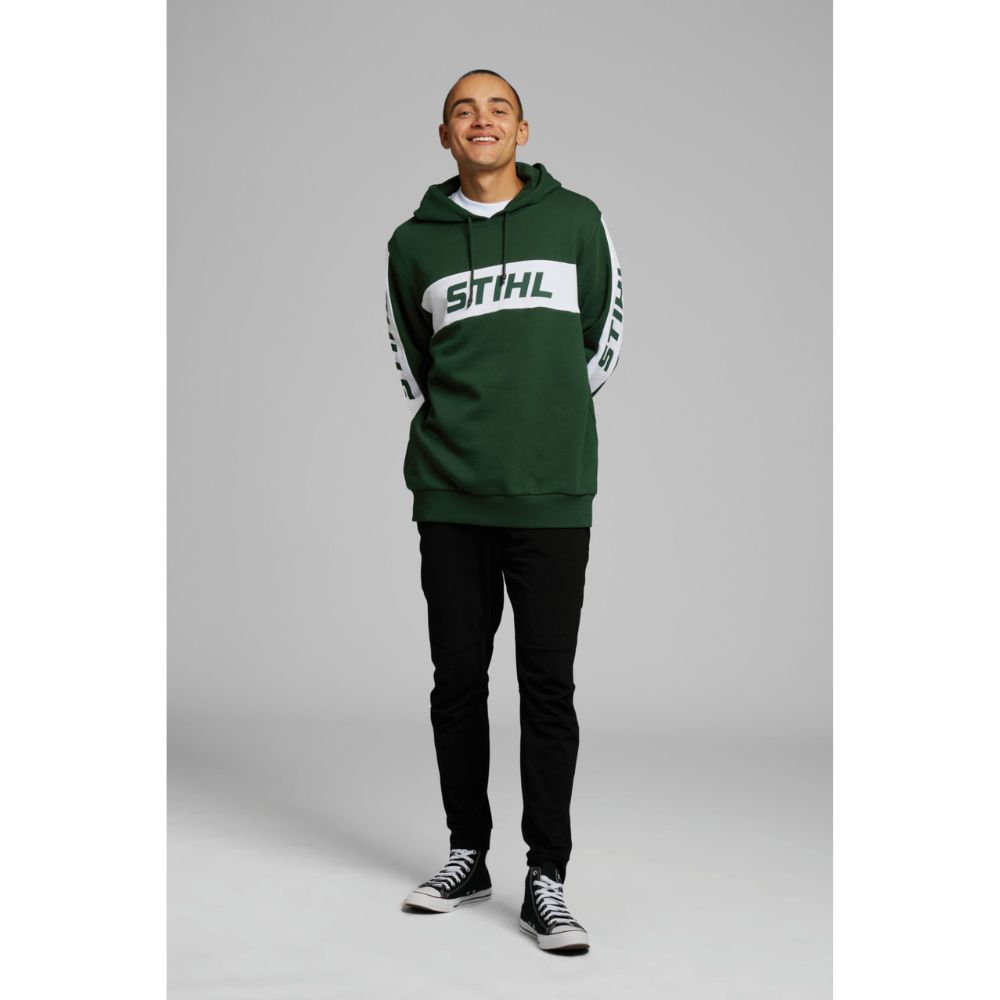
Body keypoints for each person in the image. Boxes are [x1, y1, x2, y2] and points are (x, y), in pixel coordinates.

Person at [383, 68, 623, 953]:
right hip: (450, 493)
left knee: (547, 686)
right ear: (445, 135)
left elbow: (602, 339)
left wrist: (541, 420)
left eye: (497, 109)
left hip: (552, 492)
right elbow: (414, 363)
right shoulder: (413, 242)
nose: (480, 121)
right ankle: (467, 854)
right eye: (463, 110)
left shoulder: (577, 220)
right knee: (457, 681)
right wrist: (473, 432)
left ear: (522, 129)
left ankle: (546, 877)